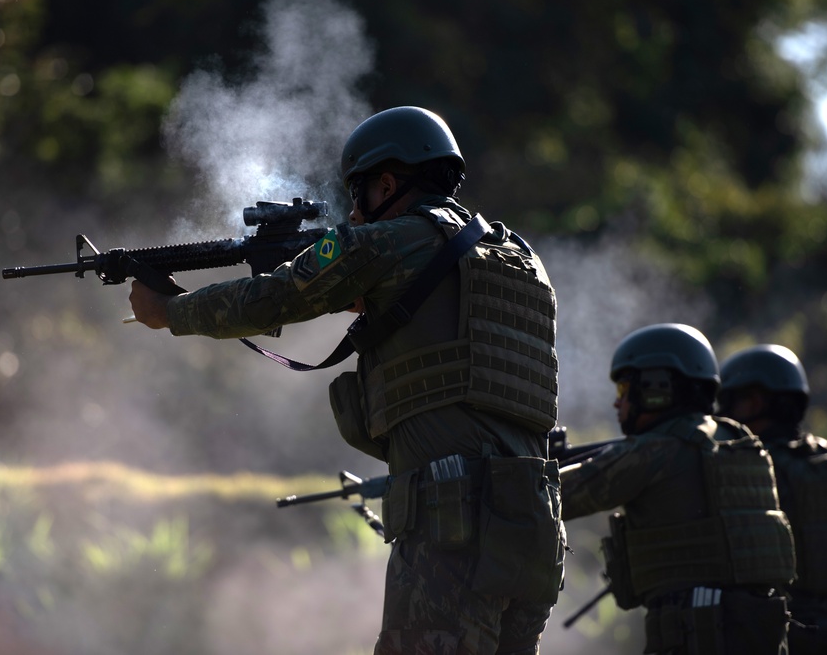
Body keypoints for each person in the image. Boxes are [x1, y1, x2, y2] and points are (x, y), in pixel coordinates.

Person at [129, 106, 564, 654]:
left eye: (360, 195)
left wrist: (171, 311)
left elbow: (273, 298)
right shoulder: (519, 259)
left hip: (451, 522)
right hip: (533, 529)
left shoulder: (391, 242)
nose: (356, 213)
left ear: (388, 181)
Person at [559, 323, 796, 654]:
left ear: (657, 388)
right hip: (759, 633)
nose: (618, 404)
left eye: (624, 389)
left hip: (697, 635)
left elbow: (555, 496)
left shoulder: (655, 451)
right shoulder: (740, 441)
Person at [717, 344, 827, 654]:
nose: (723, 413)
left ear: (755, 402)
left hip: (789, 636)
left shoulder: (760, 467)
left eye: (730, 401)